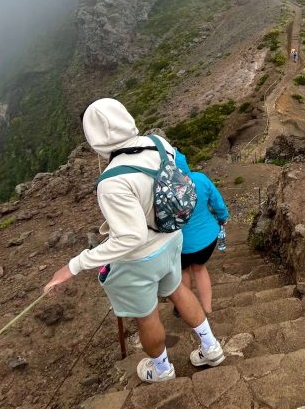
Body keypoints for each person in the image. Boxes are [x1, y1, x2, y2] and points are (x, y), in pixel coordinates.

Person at [43, 98, 226, 383]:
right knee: (178, 289)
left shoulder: (111, 181)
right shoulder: (159, 143)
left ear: (93, 137)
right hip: (173, 238)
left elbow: (131, 237)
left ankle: (162, 369)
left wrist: (73, 266)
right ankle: (211, 347)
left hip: (142, 258)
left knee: (146, 314)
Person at [175, 158, 228, 316]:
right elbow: (217, 202)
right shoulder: (200, 179)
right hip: (207, 239)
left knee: (183, 271)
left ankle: (183, 308)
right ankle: (207, 309)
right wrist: (223, 218)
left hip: (180, 244)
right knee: (199, 269)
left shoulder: (162, 189)